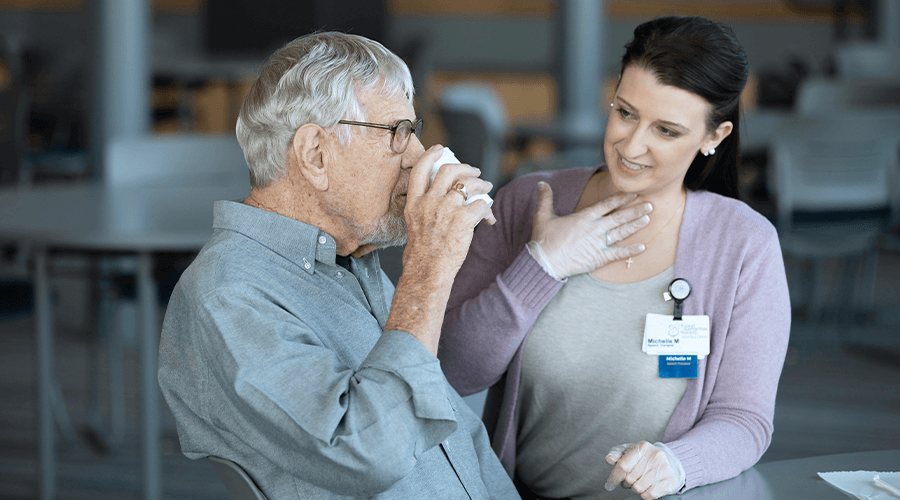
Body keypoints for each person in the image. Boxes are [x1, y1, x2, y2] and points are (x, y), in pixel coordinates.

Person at [156, 31, 649, 498]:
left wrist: (542, 261)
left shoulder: (350, 263)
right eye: (398, 132)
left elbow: (430, 391)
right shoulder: (229, 294)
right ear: (315, 154)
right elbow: (368, 452)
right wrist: (428, 266)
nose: (420, 156)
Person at [438, 16, 791, 500]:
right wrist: (541, 266)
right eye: (625, 112)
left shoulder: (746, 244)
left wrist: (676, 463)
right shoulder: (528, 201)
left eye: (666, 131)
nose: (632, 144)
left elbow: (745, 418)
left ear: (714, 135)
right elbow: (452, 371)